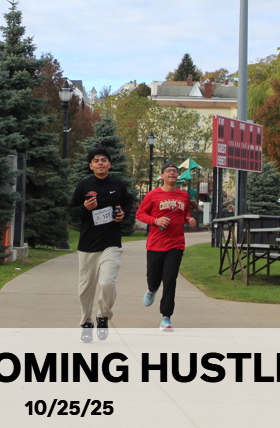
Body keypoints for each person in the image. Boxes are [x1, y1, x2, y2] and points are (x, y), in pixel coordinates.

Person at [68, 147, 132, 342]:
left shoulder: (118, 185)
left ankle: (103, 316)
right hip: (88, 245)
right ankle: (86, 322)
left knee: (107, 282)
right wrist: (84, 208)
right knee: (85, 289)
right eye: (96, 161)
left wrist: (123, 214)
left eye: (104, 160)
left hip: (111, 243)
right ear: (91, 166)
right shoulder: (84, 185)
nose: (100, 163)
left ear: (109, 164)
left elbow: (128, 205)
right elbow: (71, 211)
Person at [135, 162, 196, 331]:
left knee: (170, 280)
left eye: (174, 171)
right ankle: (152, 289)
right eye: (168, 171)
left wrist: (189, 220)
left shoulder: (184, 196)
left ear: (177, 175)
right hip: (156, 244)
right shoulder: (153, 195)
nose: (172, 173)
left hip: (176, 244)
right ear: (162, 176)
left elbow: (185, 214)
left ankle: (166, 317)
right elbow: (140, 213)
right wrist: (156, 220)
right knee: (153, 277)